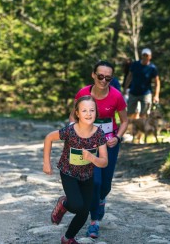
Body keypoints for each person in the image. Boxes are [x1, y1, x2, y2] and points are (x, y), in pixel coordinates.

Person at [69, 60, 128, 239]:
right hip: (88, 144)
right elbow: (73, 115)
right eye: (100, 76)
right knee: (94, 183)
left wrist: (117, 138)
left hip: (109, 143)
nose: (103, 80)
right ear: (93, 75)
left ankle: (101, 200)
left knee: (105, 185)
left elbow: (125, 121)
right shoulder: (83, 93)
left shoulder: (116, 96)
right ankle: (94, 222)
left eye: (108, 78)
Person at [43, 95, 109, 244]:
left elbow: (104, 162)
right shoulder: (70, 131)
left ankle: (67, 238)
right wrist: (46, 163)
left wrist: (92, 158)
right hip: (69, 173)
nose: (88, 114)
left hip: (88, 175)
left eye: (92, 110)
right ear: (77, 113)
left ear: (96, 113)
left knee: (84, 212)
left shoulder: (99, 134)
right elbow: (49, 138)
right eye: (84, 110)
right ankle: (64, 204)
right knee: (76, 205)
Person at [123, 48, 160, 119]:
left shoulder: (152, 68)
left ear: (150, 57)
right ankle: (131, 129)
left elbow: (157, 82)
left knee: (144, 115)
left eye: (147, 55)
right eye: (144, 55)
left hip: (146, 94)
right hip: (133, 92)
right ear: (141, 56)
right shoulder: (135, 64)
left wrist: (156, 95)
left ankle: (142, 129)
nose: (145, 57)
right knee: (130, 114)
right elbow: (129, 77)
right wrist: (125, 88)